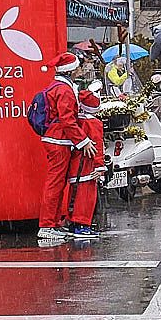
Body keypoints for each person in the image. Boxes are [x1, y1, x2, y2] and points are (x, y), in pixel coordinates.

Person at [31, 51, 88, 245]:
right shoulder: (64, 90)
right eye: (78, 67)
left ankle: (52, 223)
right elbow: (67, 120)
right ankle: (47, 225)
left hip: (56, 140)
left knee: (57, 183)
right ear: (71, 71)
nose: (80, 70)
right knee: (55, 183)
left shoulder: (57, 87)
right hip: (58, 141)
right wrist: (83, 141)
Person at [64, 86, 105, 240]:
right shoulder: (94, 123)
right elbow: (97, 146)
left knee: (75, 193)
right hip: (87, 165)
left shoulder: (77, 120)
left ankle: (73, 223)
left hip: (76, 162)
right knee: (86, 196)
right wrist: (100, 166)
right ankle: (82, 225)